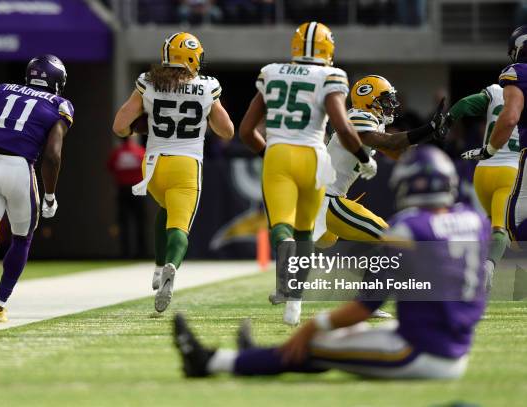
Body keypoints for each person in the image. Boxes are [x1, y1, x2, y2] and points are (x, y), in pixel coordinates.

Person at [173, 145, 490, 380]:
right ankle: (251, 353)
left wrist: (313, 325)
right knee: (345, 337)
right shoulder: (475, 221)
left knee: (317, 342)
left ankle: (213, 362)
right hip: (454, 344)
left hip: (420, 352)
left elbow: (368, 303)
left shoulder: (409, 228)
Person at [239, 22, 376, 325]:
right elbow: (342, 126)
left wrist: (270, 153)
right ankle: (294, 306)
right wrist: (363, 157)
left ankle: (284, 257)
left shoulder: (272, 71)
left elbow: (246, 130)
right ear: (329, 49)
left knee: (282, 226)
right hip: (314, 157)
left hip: (278, 153)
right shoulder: (331, 75)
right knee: (305, 232)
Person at [112, 32, 234, 313]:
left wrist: (142, 124)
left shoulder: (147, 82)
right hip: (186, 163)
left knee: (164, 209)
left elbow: (119, 127)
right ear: (191, 56)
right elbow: (227, 131)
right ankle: (171, 267)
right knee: (180, 226)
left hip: (153, 164)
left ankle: (157, 268)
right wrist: (204, 117)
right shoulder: (207, 86)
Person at [311, 75, 445, 320]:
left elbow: (397, 151)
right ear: (368, 100)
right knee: (390, 236)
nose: (390, 105)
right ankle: (368, 301)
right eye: (384, 100)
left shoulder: (372, 123)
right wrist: (425, 129)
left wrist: (430, 134)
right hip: (327, 201)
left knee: (371, 240)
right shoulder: (356, 116)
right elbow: (388, 141)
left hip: (331, 199)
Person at [0, 55, 74, 322]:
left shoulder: (3, 89)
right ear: (57, 81)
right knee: (22, 238)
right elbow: (52, 155)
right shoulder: (60, 104)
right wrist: (50, 195)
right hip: (20, 169)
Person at [440, 85, 518, 290]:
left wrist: (446, 122)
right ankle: (485, 268)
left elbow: (464, 104)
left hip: (483, 171)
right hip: (513, 172)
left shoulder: (497, 91)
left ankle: (464, 263)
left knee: (491, 224)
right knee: (502, 228)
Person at [462, 26, 527, 242]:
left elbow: (509, 118)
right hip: (511, 165)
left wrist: (489, 150)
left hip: (507, 162)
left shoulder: (517, 72)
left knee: (512, 230)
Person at [107, 137, 147, 258]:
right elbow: (147, 167)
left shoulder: (118, 153)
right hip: (137, 190)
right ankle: (142, 253)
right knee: (141, 222)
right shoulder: (140, 151)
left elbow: (110, 167)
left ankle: (126, 253)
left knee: (124, 223)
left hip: (123, 190)